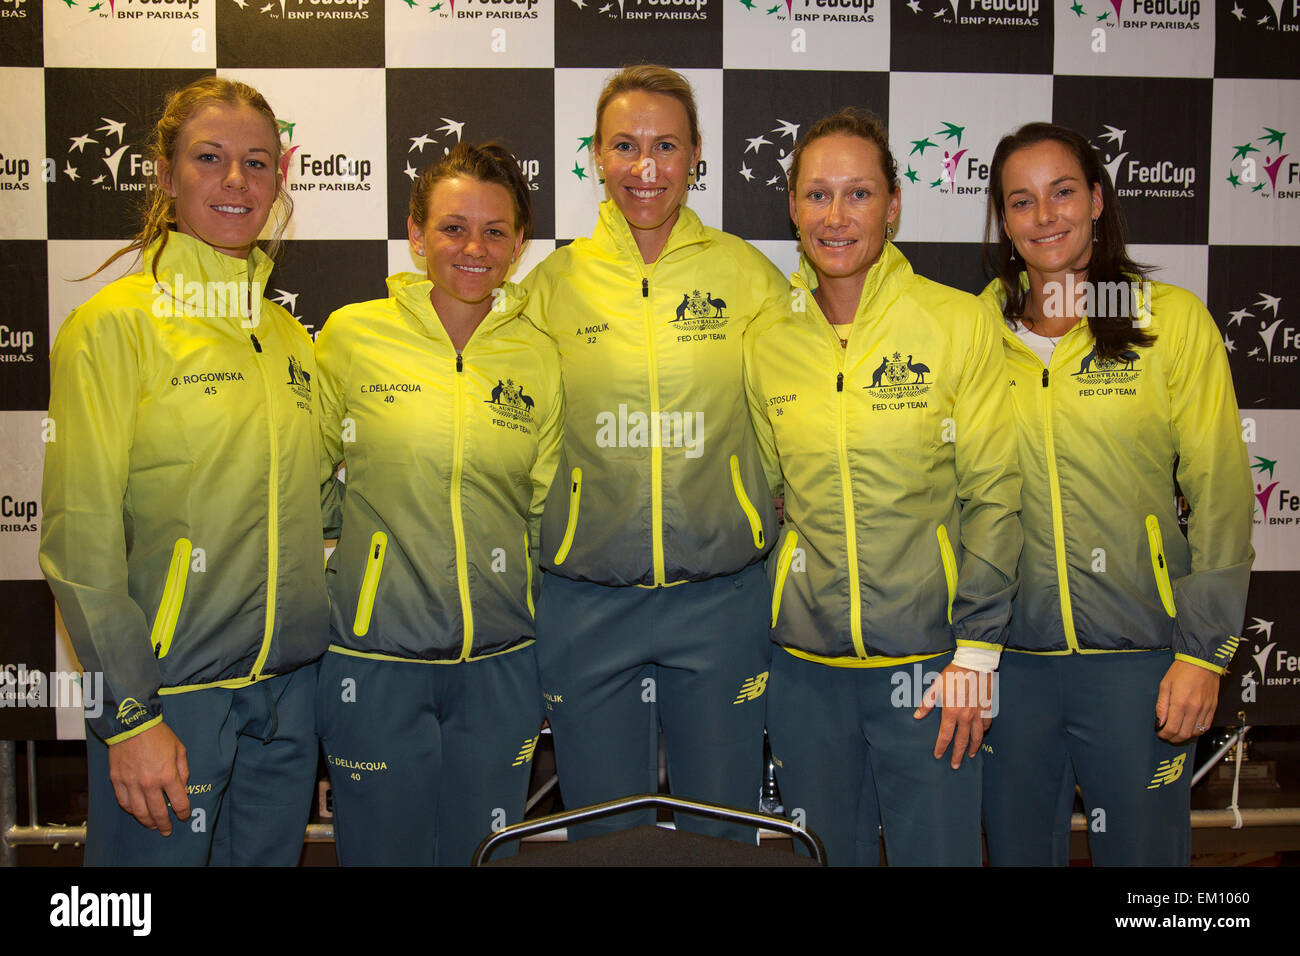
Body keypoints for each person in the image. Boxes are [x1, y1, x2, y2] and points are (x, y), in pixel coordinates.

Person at [39, 77, 328, 866]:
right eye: (210, 158)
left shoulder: (288, 336)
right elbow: (79, 540)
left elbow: (314, 506)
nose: (237, 181)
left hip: (286, 699)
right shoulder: (111, 329)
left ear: (280, 177)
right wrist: (129, 718)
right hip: (170, 704)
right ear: (165, 175)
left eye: (258, 163)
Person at [742, 108, 1022, 866]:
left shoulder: (957, 322)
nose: (836, 217)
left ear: (894, 205)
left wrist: (975, 659)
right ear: (793, 206)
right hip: (805, 675)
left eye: (859, 194)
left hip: (932, 669)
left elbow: (995, 496)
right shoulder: (766, 339)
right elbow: (769, 499)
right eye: (817, 195)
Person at [978, 122, 1254, 866]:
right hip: (1009, 668)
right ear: (1004, 221)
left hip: (1141, 667)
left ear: (1097, 199)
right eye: (1023, 201)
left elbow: (1223, 497)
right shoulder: (972, 332)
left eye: (1064, 192)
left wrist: (1203, 656)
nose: (1047, 216)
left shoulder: (1170, 323)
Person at [523, 65, 788, 840]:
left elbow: (794, 408)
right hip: (585, 599)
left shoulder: (746, 275)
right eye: (626, 145)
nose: (647, 167)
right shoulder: (553, 284)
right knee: (604, 840)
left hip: (720, 599)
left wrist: (763, 498)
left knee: (724, 835)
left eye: (666, 146)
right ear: (597, 157)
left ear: (697, 154)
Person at [314, 142, 562, 866]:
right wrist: (367, 558)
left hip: (501, 668)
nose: (474, 248)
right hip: (374, 662)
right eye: (453, 227)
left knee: (483, 856)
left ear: (518, 245)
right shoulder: (351, 337)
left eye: (494, 231)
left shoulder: (537, 356)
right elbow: (305, 482)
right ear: (416, 235)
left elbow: (544, 513)